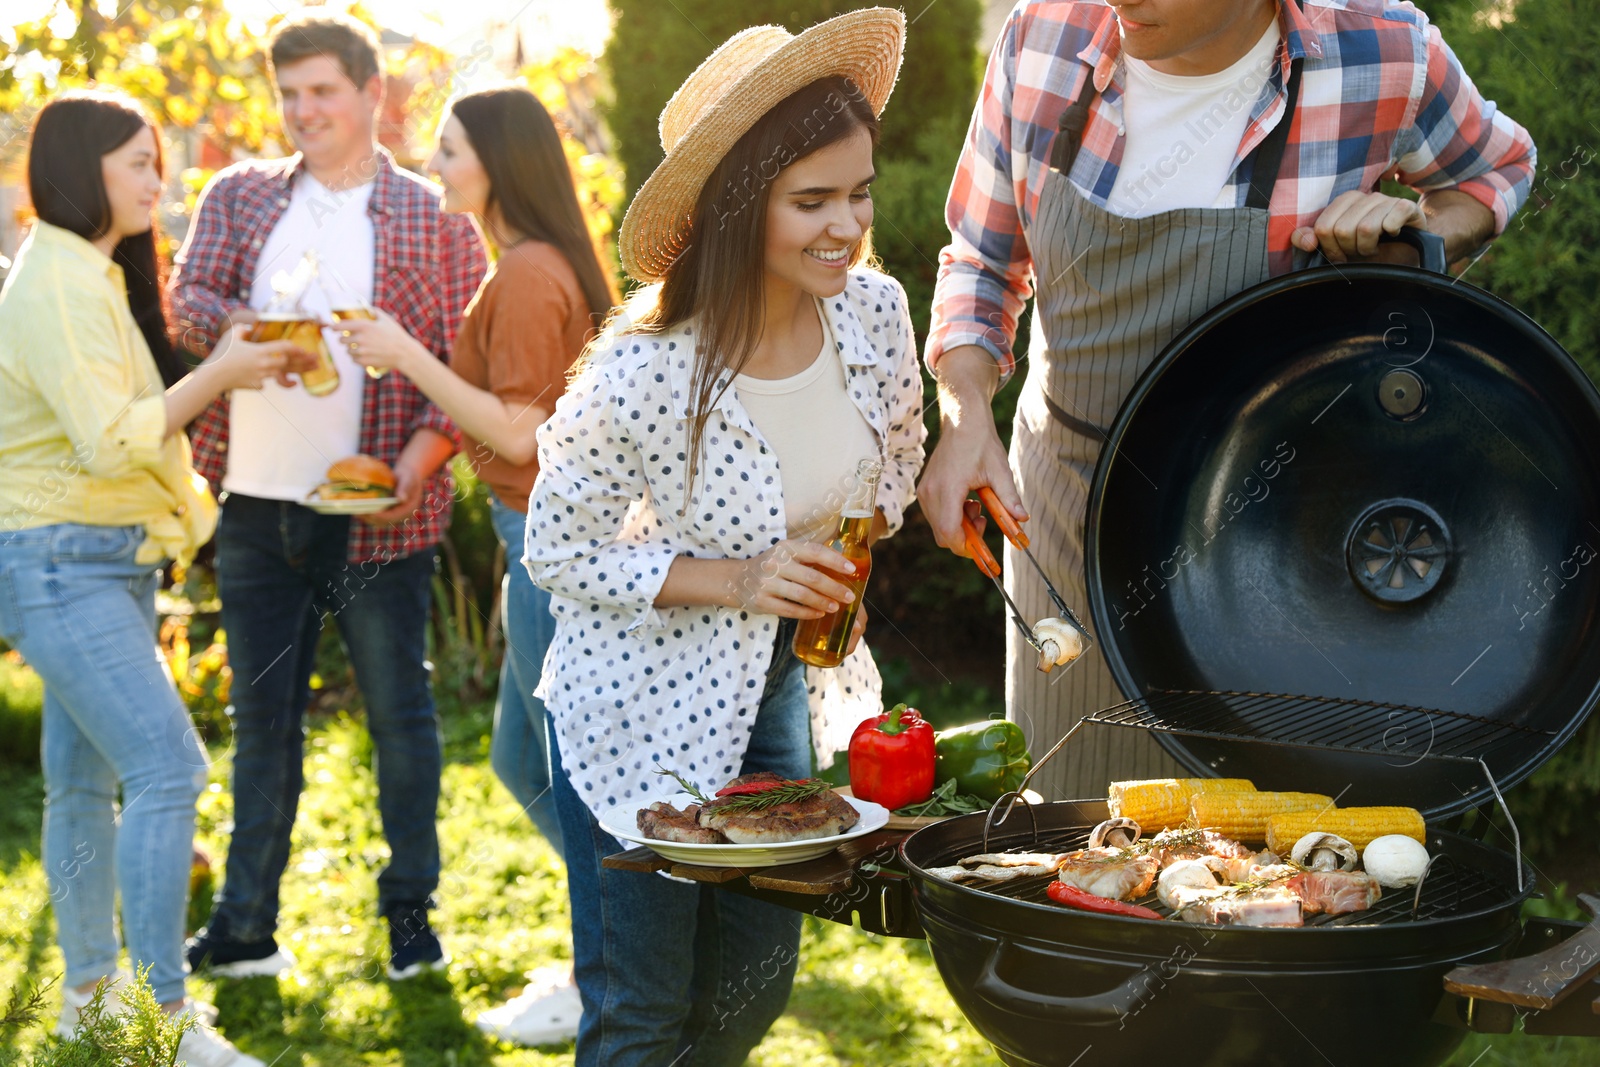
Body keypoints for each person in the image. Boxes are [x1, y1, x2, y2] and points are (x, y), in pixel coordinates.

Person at [918, 0, 1536, 799]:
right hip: (1068, 510)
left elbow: (1498, 172)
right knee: (1074, 848)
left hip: (1277, 541)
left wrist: (1420, 232)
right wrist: (964, 411)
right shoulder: (1044, 35)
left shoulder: (1382, 54)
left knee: (1266, 869)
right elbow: (980, 258)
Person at [523, 9, 922, 1064]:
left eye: (859, 191)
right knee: (645, 1008)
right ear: (741, 208)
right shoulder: (643, 371)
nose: (847, 224)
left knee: (751, 992)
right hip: (637, 709)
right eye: (812, 200)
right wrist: (741, 573)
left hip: (773, 690)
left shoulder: (873, 314)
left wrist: (856, 548)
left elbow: (890, 458)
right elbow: (557, 551)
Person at [0, 89, 318, 1067]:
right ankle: (163, 1021)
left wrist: (226, 369)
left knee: (83, 783)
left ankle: (92, 998)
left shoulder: (85, 273)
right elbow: (109, 441)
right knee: (169, 769)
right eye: (139, 160)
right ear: (81, 166)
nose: (158, 177)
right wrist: (219, 371)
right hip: (61, 564)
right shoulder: (54, 281)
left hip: (99, 560)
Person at [169, 8, 487, 981]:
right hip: (258, 506)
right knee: (264, 721)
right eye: (289, 93)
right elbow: (187, 303)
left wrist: (414, 472)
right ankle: (245, 924)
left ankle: (409, 916)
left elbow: (463, 370)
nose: (302, 111)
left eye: (322, 92)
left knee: (399, 715)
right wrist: (251, 335)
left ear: (371, 95)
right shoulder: (238, 195)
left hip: (379, 515)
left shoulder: (434, 221)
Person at [338, 84, 616, 1045]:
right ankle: (619, 937)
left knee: (565, 776)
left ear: (497, 160)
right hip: (526, 539)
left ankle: (612, 964)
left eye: (450, 148)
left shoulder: (532, 273)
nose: (436, 164)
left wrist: (403, 351)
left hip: (549, 541)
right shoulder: (523, 266)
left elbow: (520, 429)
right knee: (519, 759)